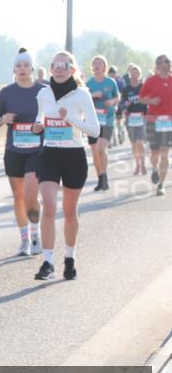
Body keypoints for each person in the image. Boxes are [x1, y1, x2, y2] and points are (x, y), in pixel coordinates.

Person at [31, 51, 100, 281]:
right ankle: (47, 262)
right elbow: (40, 117)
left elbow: (95, 130)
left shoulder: (81, 95)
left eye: (64, 65)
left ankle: (69, 258)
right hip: (49, 154)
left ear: (72, 69)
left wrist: (71, 119)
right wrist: (37, 126)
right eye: (55, 65)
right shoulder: (43, 93)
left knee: (70, 211)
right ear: (51, 69)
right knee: (48, 205)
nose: (59, 68)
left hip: (73, 156)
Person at [0, 49, 45, 256]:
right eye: (18, 66)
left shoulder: (43, 91)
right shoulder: (7, 92)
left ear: (32, 68)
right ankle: (24, 240)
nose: (22, 69)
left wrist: (43, 125)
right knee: (18, 196)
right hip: (14, 150)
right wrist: (3, 119)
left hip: (37, 150)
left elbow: (55, 116)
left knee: (31, 194)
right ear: (14, 69)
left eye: (26, 65)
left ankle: (35, 233)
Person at [85, 56, 121, 191]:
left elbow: (117, 97)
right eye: (94, 64)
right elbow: (83, 100)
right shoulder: (88, 83)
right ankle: (100, 179)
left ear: (104, 67)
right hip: (92, 121)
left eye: (100, 64)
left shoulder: (111, 82)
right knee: (95, 152)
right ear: (92, 67)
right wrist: (93, 95)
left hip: (107, 120)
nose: (97, 66)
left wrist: (111, 102)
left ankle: (104, 175)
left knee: (101, 148)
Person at [140, 54, 172, 196]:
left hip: (168, 123)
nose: (168, 64)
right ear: (158, 66)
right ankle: (154, 168)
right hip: (153, 121)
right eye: (164, 62)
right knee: (155, 153)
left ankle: (161, 185)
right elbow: (140, 99)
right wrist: (151, 102)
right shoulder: (151, 81)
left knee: (165, 154)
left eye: (168, 61)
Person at [121, 64, 148, 175]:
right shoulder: (126, 89)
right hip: (130, 118)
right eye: (132, 72)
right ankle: (137, 165)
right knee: (133, 143)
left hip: (141, 117)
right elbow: (121, 104)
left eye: (136, 72)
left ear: (139, 74)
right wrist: (125, 104)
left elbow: (148, 100)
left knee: (140, 142)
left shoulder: (143, 87)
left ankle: (142, 164)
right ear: (129, 74)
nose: (134, 74)